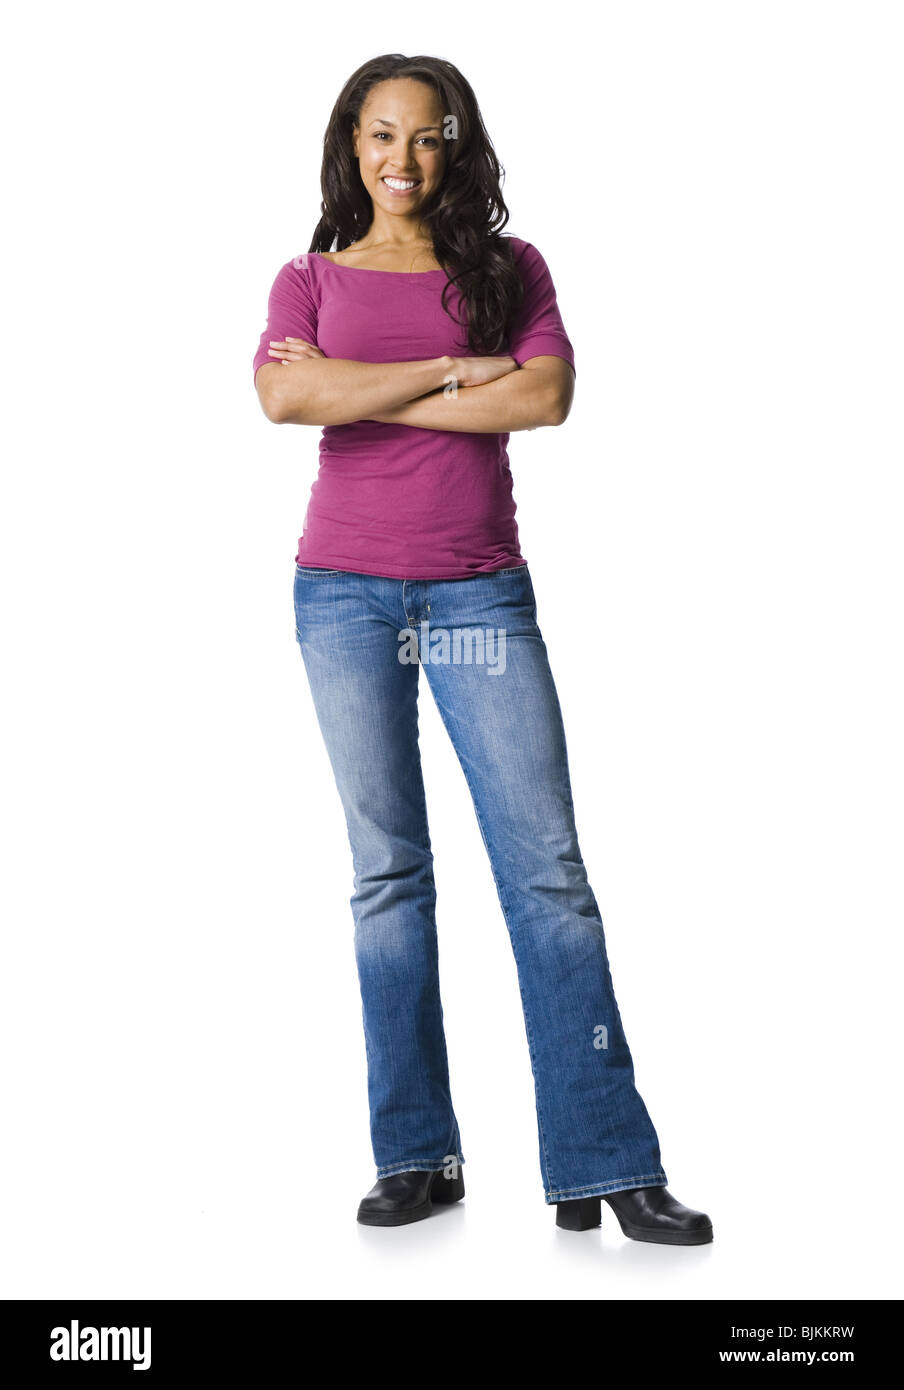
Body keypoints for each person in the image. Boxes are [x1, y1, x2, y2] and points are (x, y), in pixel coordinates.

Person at [252, 53, 712, 1244]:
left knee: (546, 876)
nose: (399, 160)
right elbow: (282, 403)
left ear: (455, 144)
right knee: (387, 879)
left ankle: (605, 1161)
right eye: (377, 135)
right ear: (349, 145)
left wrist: (362, 388)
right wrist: (450, 372)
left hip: (474, 598)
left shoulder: (509, 269)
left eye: (423, 137)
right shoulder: (307, 276)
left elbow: (545, 399)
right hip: (342, 593)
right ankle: (416, 1154)